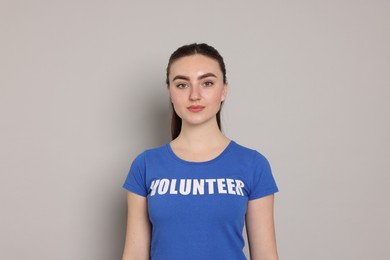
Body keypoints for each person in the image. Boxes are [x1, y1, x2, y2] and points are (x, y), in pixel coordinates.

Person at [122, 43, 279, 260]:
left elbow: (266, 256)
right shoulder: (146, 165)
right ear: (170, 92)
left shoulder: (253, 164)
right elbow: (135, 255)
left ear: (223, 90)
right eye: (182, 85)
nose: (195, 95)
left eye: (207, 83)